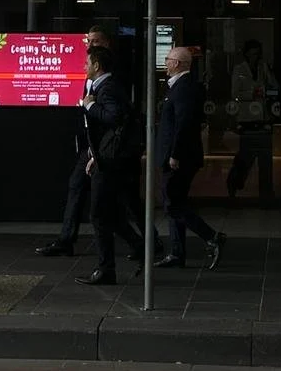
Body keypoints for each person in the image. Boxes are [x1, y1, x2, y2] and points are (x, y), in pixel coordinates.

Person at [37, 24, 156, 262]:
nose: (89, 46)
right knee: (82, 189)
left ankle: (144, 244)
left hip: (108, 150)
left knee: (118, 203)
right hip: (95, 147)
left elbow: (113, 116)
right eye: (88, 41)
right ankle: (68, 240)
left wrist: (90, 107)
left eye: (95, 42)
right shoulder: (94, 77)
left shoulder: (112, 77)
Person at [76, 36, 147, 286]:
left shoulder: (107, 89)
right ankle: (140, 246)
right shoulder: (104, 87)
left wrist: (90, 106)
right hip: (106, 157)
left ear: (97, 64)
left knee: (98, 214)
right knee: (112, 212)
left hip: (111, 162)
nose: (84, 67)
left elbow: (113, 118)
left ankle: (106, 268)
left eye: (87, 62)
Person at [157, 46, 225, 270]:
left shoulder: (184, 88)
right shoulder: (177, 87)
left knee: (172, 203)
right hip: (177, 155)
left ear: (178, 63)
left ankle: (212, 236)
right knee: (175, 201)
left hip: (179, 157)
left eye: (168, 59)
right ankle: (177, 252)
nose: (165, 63)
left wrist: (175, 154)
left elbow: (183, 123)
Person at [226, 38, 277, 200]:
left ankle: (266, 192)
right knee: (246, 156)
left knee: (264, 157)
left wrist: (267, 71)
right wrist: (251, 94)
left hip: (262, 117)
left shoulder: (262, 68)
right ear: (247, 53)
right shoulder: (239, 69)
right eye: (253, 53)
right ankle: (234, 182)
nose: (256, 56)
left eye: (258, 53)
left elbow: (274, 87)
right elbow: (234, 94)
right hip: (247, 117)